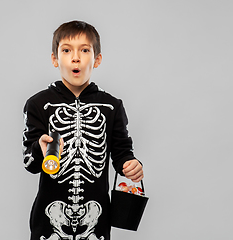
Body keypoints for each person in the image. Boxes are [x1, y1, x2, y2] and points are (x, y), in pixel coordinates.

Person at [22, 20, 144, 240]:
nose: (75, 57)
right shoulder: (38, 104)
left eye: (84, 50)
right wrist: (39, 149)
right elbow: (29, 163)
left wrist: (130, 165)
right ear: (55, 59)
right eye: (66, 50)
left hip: (96, 220)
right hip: (49, 222)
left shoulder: (112, 106)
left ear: (96, 59)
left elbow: (121, 152)